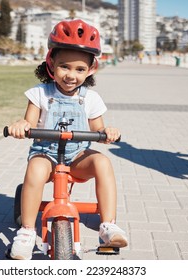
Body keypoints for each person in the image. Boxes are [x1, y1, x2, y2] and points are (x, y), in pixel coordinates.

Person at [7, 19, 128, 260]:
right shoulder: (40, 93)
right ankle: (27, 231)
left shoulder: (91, 98)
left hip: (77, 156)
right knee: (34, 169)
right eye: (64, 66)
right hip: (46, 153)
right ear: (51, 62)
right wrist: (22, 126)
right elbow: (29, 123)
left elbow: (98, 129)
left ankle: (108, 225)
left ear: (91, 69)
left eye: (79, 69)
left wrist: (108, 133)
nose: (71, 75)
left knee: (103, 162)